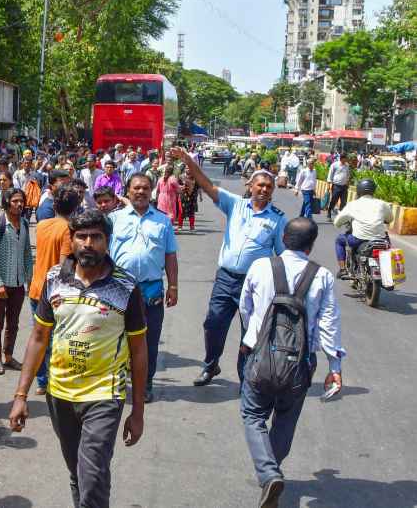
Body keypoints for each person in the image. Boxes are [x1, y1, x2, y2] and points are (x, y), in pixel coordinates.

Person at [9, 209, 146, 508]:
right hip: (60, 393)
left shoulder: (126, 287)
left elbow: (138, 349)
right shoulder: (54, 279)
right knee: (77, 472)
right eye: (81, 236)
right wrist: (21, 395)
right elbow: (38, 338)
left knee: (93, 473)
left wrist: (137, 411)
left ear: (107, 242)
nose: (88, 243)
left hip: (104, 394)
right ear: (70, 241)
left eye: (96, 237)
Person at [239, 218, 345, 508]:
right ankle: (272, 470)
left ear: (283, 238)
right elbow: (329, 323)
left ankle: (269, 473)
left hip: (259, 357)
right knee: (286, 418)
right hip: (300, 363)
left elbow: (245, 307)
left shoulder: (261, 266)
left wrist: (251, 337)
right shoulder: (322, 276)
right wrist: (334, 368)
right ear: (311, 245)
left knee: (252, 415)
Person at [171, 147, 287, 386]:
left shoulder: (277, 219)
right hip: (225, 279)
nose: (263, 189)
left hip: (254, 284)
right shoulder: (235, 205)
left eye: (268, 186)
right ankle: (211, 365)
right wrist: (189, 161)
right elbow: (206, 185)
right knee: (213, 324)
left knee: (250, 331)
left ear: (272, 190)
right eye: (260, 185)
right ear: (250, 187)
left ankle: (245, 375)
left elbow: (283, 256)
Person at [109, 173, 178, 403]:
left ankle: (145, 383)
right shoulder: (113, 219)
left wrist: (173, 285)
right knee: (115, 338)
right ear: (128, 191)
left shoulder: (163, 221)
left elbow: (170, 255)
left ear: (152, 192)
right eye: (136, 188)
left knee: (149, 341)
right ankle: (115, 383)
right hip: (118, 288)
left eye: (145, 188)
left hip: (151, 291)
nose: (141, 192)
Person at [27, 185, 79, 395]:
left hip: (36, 287)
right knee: (57, 338)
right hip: (55, 292)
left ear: (54, 205)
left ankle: (42, 381)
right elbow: (63, 266)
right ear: (76, 207)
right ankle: (52, 380)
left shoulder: (42, 225)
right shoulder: (68, 229)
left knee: (39, 335)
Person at [0, 188, 33, 375]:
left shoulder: (24, 223)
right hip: (1, 283)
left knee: (13, 323)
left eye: (21, 201)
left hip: (18, 282)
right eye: (14, 201)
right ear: (7, 203)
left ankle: (8, 356)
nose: (19, 204)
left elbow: (27, 253)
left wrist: (29, 278)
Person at [332, 178, 392, 279]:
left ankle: (343, 269)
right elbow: (390, 218)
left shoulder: (353, 204)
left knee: (339, 240)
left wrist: (338, 224)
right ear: (373, 190)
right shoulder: (382, 204)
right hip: (380, 240)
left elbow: (337, 222)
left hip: (359, 239)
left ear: (359, 190)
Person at [326, 154, 352, 220]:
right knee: (334, 200)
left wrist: (348, 183)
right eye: (345, 159)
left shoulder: (347, 165)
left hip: (344, 186)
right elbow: (330, 175)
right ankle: (329, 212)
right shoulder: (334, 165)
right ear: (341, 159)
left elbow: (348, 174)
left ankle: (340, 216)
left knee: (343, 201)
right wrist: (328, 185)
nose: (346, 160)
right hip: (336, 186)